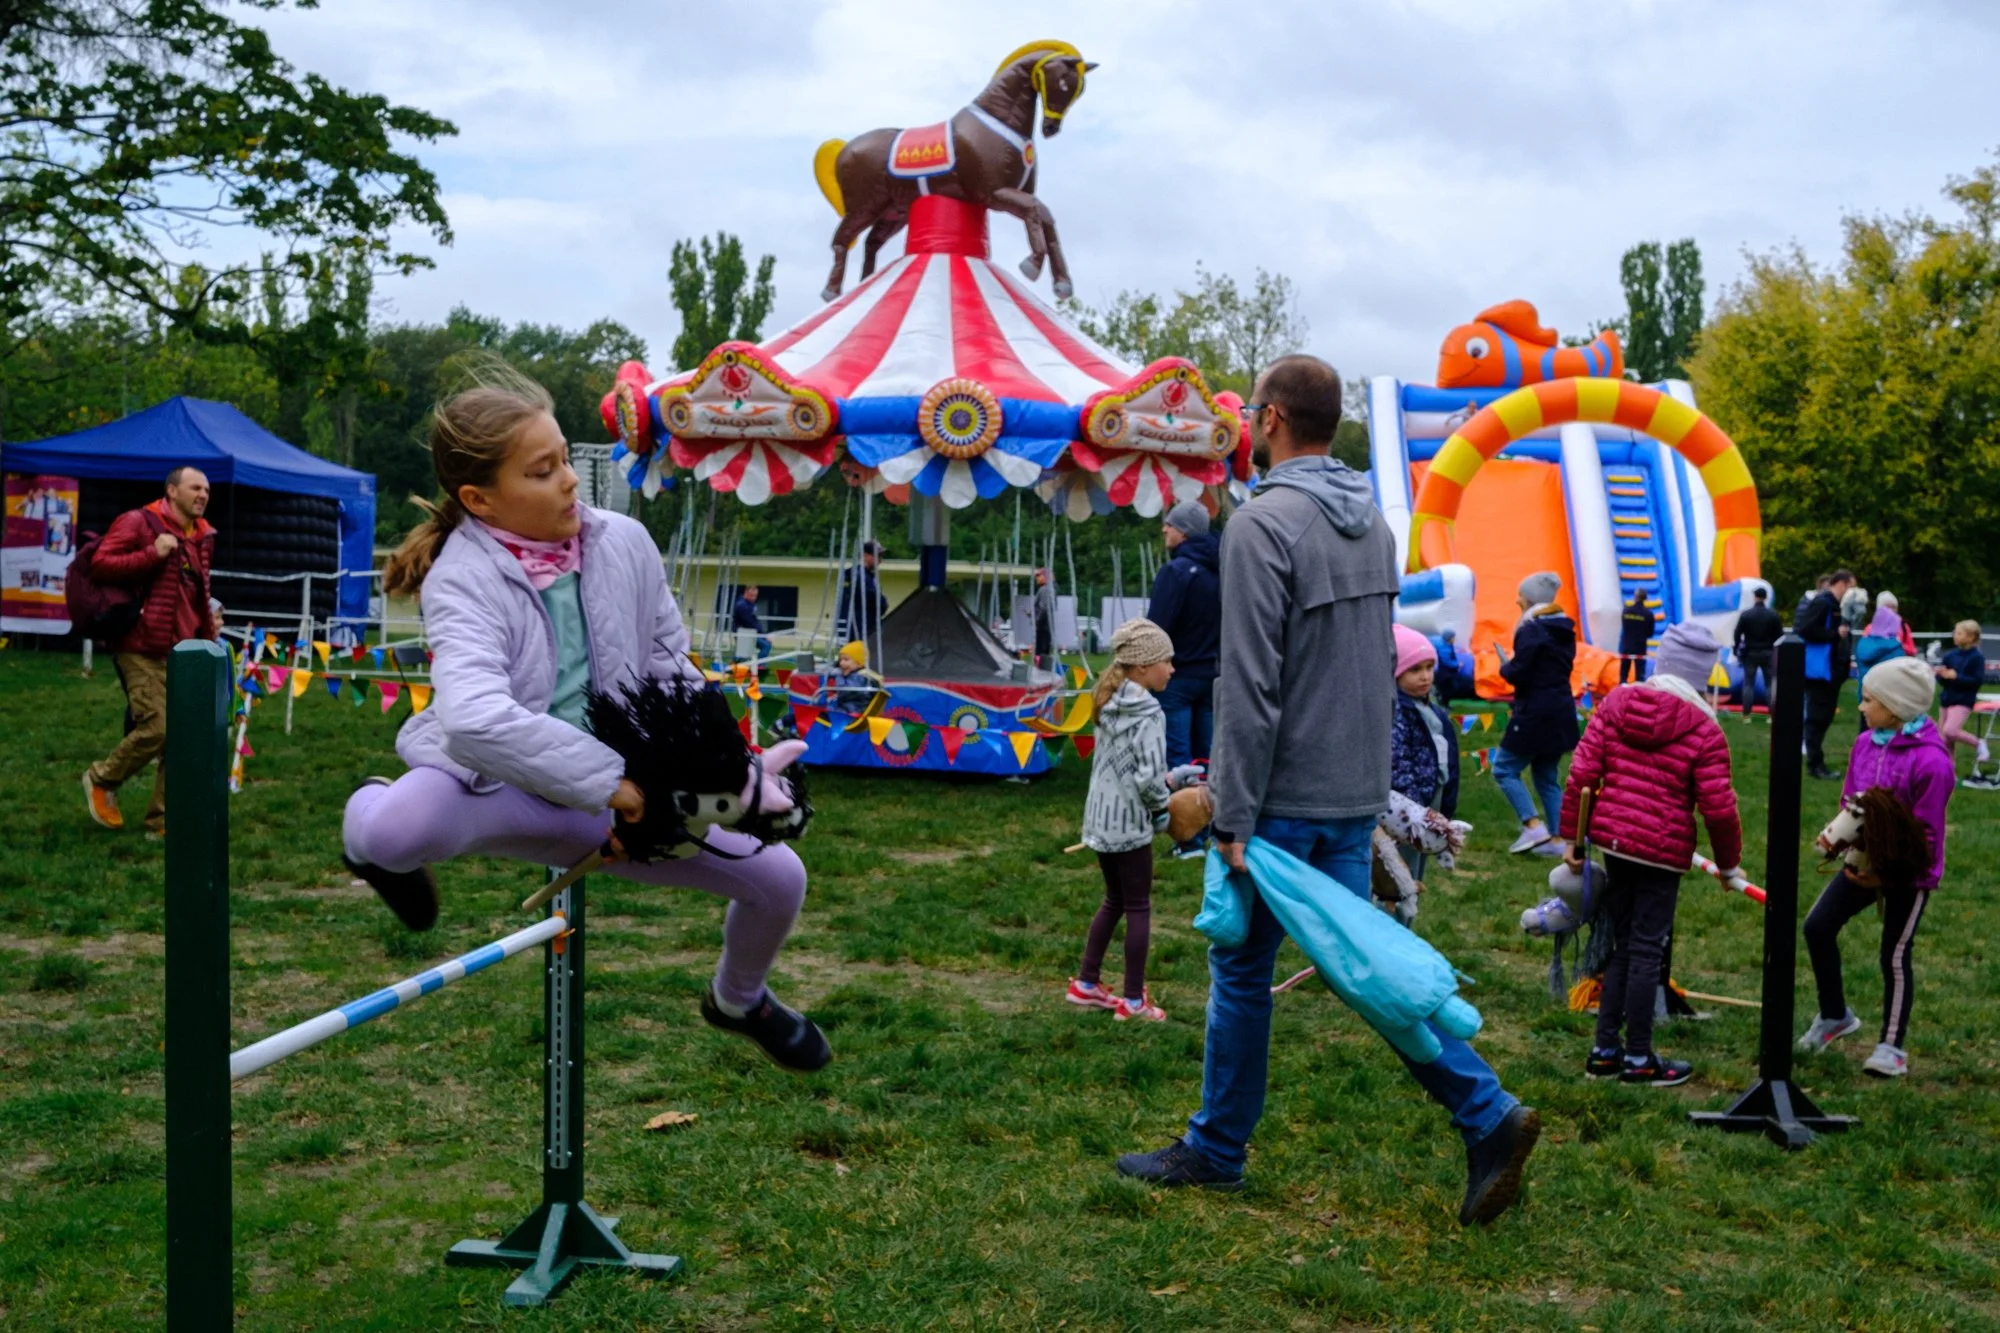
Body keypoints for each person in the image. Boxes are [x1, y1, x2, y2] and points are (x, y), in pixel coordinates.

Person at [1115, 354, 1538, 1227]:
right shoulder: (1375, 523)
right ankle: (1484, 1113)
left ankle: (1218, 1149)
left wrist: (1228, 809)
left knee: (1240, 969)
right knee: (1362, 968)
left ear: (1269, 419)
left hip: (1277, 799)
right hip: (1351, 787)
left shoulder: (1263, 524)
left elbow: (1251, 683)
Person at [339, 366, 829, 1072]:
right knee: (395, 830)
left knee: (781, 879)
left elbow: (669, 665)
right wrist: (615, 787)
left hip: (618, 795)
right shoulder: (461, 576)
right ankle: (363, 829)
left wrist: (721, 773)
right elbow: (474, 720)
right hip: (500, 786)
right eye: (542, 471)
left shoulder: (626, 541)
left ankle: (739, 999)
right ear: (480, 499)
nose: (569, 479)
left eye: (565, 458)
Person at [1558, 622, 1745, 1087]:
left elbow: (1581, 773)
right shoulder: (1705, 728)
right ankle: (1638, 1058)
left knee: (1623, 944)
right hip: (1662, 853)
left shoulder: (1618, 702)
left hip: (1615, 843)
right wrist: (1729, 865)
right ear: (1703, 674)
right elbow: (1719, 806)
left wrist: (1573, 841)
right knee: (1645, 948)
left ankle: (1605, 1051)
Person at [1796, 656, 1955, 1079]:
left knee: (1895, 955)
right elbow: (1852, 798)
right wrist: (1841, 838)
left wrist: (1886, 875)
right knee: (1817, 926)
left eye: (1869, 700)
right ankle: (1835, 1016)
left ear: (1897, 705)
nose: (1862, 707)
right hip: (1863, 860)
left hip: (1909, 871)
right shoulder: (1866, 743)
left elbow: (1928, 834)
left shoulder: (1932, 762)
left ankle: (1891, 1047)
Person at [1066, 619, 1201, 1023]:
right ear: (1143, 667)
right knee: (1139, 905)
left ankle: (1087, 983)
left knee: (1115, 899)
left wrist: (1173, 776)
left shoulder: (1109, 698)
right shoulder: (1149, 711)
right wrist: (1163, 809)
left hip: (1101, 822)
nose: (1173, 669)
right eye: (1167, 661)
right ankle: (1133, 1001)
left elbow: (1128, 768)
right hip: (1129, 826)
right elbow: (1146, 779)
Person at [81, 467, 223, 839]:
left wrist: (209, 633)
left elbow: (195, 593)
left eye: (207, 489)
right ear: (172, 491)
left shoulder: (203, 535)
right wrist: (152, 553)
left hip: (188, 650)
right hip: (141, 645)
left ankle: (161, 822)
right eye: (195, 487)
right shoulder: (138, 523)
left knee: (184, 737)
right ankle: (101, 779)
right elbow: (100, 566)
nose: (203, 494)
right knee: (159, 727)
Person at [1492, 571, 1579, 856]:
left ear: (1530, 600)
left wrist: (1505, 667)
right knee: (1546, 775)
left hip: (1535, 712)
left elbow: (1521, 673)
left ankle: (1532, 824)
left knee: (1504, 768)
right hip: (1562, 711)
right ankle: (1559, 840)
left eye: (1521, 595)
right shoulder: (1564, 629)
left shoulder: (1531, 630)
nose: (1517, 600)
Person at [1146, 500, 1221, 772]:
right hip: (1211, 675)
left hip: (1175, 677)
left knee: (1178, 760)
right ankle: (1209, 811)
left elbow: (1156, 628)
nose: (1164, 529)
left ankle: (1179, 810)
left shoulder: (1175, 572)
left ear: (1185, 532)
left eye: (1171, 524)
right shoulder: (1222, 571)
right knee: (1210, 757)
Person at [1389, 624, 1459, 905]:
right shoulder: (1397, 711)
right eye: (1415, 669)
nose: (1425, 676)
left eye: (1429, 667)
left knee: (1416, 871)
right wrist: (1415, 808)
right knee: (1397, 876)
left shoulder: (1434, 712)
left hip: (1433, 799)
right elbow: (1397, 762)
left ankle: (1405, 926)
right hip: (1406, 809)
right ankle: (1390, 930)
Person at [1795, 569, 1855, 780]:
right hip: (1820, 672)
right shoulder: (1823, 603)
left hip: (1831, 672)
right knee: (1817, 718)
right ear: (1843, 584)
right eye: (1851, 587)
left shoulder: (1836, 606)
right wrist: (1833, 634)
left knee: (1824, 717)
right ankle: (1815, 764)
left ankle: (1816, 761)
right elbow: (1804, 629)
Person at [1935, 620, 1990, 766]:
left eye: (1959, 633)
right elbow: (1942, 680)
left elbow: (1976, 681)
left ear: (1971, 637)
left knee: (1950, 731)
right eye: (1955, 632)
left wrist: (1957, 676)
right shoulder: (1950, 656)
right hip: (1947, 699)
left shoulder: (1977, 658)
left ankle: (1978, 744)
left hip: (1963, 700)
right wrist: (1941, 675)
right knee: (1944, 741)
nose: (1955, 635)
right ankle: (1948, 775)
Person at [1732, 586, 1783, 720]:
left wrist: (1736, 649)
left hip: (1750, 652)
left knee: (1748, 683)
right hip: (1768, 652)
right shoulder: (1773, 615)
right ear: (1766, 598)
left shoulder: (1746, 614)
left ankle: (1746, 715)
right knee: (1769, 684)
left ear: (1755, 597)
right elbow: (1780, 635)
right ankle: (1772, 715)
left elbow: (1737, 634)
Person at [837, 540, 886, 648]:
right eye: (877, 556)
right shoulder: (861, 577)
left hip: (864, 627)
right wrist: (883, 602)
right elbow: (877, 602)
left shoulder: (867, 576)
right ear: (866, 556)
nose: (880, 561)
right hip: (859, 629)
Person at [1853, 594, 1909, 687]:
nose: (1892, 611)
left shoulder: (1903, 628)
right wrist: (1897, 646)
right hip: (1887, 685)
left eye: (1894, 607)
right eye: (1888, 607)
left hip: (1867, 687)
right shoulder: (1869, 630)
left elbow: (1910, 648)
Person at [828, 640, 881, 715]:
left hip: (856, 710)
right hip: (847, 707)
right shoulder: (851, 674)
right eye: (840, 660)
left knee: (829, 712)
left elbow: (845, 691)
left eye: (846, 660)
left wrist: (840, 677)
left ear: (859, 664)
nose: (841, 663)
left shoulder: (860, 676)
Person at [1618, 587, 1656, 683]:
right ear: (1646, 599)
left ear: (1634, 597)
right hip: (1640, 648)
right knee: (1640, 677)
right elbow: (1650, 633)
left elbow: (1625, 628)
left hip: (1626, 647)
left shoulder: (1626, 611)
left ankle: (1622, 693)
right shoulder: (1648, 614)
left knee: (1623, 675)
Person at [731, 583, 772, 661]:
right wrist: (764, 635)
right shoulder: (742, 605)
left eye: (755, 595)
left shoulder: (749, 604)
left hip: (748, 632)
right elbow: (750, 623)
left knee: (743, 654)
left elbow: (754, 621)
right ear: (745, 593)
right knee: (766, 645)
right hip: (744, 633)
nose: (754, 597)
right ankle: (759, 666)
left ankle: (756, 665)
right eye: (751, 595)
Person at [1032, 566, 1057, 667]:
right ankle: (1043, 672)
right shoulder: (1049, 589)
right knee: (1043, 654)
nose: (1036, 578)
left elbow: (1044, 609)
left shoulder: (1045, 589)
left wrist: (1037, 622)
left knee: (1041, 655)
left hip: (1043, 628)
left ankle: (1041, 675)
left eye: (1038, 575)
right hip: (1045, 627)